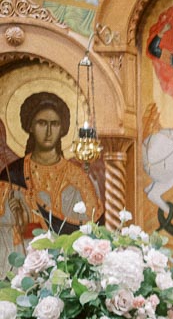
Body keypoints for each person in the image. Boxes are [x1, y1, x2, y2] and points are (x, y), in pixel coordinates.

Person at [0, 91, 103, 247]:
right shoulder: (12, 175)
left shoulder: (77, 177)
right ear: (30, 127)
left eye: (54, 124)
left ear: (62, 129)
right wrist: (19, 227)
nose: (48, 131)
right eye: (41, 123)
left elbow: (92, 229)